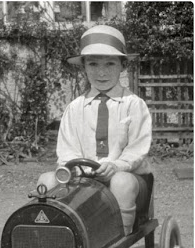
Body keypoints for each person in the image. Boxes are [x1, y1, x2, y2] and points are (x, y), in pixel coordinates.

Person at [37, 25, 152, 235]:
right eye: (93, 64)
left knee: (121, 183)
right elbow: (67, 150)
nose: (101, 72)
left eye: (110, 63)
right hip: (84, 177)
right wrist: (74, 169)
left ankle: (118, 238)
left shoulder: (134, 104)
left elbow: (137, 148)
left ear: (123, 65)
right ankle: (54, 238)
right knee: (47, 180)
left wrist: (116, 166)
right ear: (84, 67)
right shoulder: (74, 108)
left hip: (127, 175)